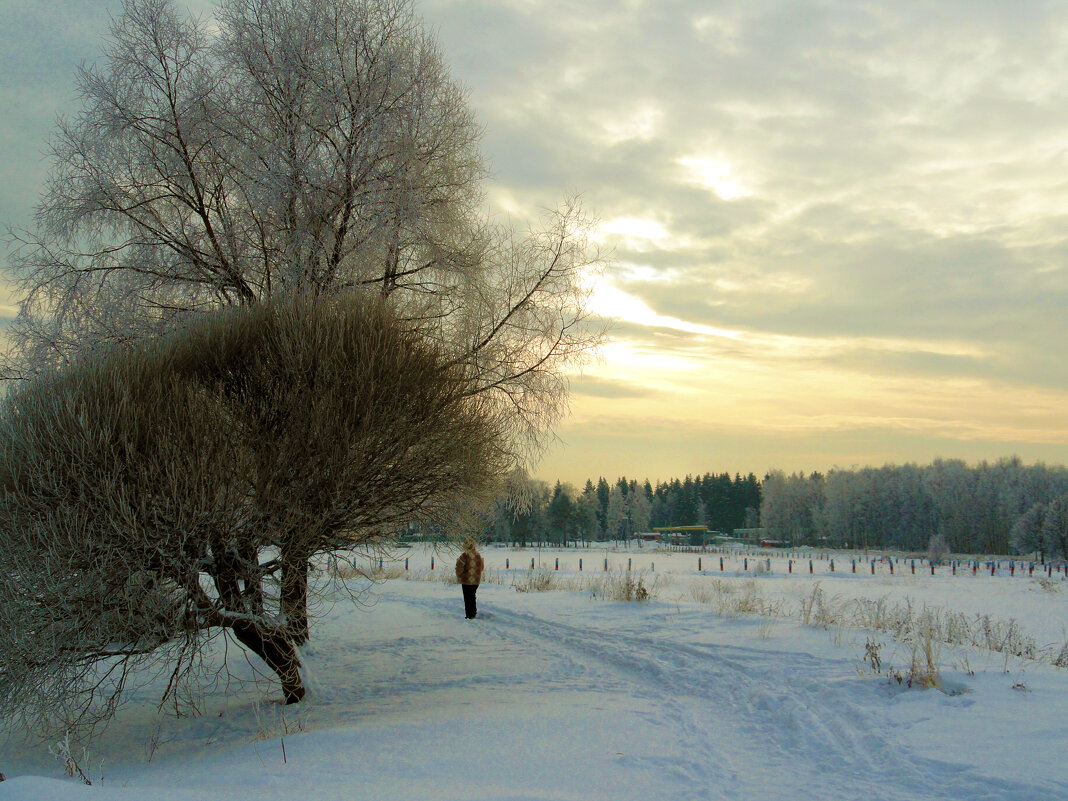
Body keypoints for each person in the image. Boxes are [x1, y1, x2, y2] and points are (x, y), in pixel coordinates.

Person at [454, 538, 485, 619]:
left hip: (466, 581)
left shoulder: (464, 555)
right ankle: (473, 613)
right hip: (476, 581)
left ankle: (469, 615)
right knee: (472, 597)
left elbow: (459, 568)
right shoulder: (478, 555)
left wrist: (459, 576)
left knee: (467, 598)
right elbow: (482, 568)